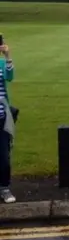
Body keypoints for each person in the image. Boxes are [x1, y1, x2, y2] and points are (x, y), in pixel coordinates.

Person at [0, 42, 15, 203]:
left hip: (2, 117)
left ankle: (4, 188)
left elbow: (9, 77)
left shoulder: (2, 63)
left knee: (3, 156)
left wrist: (7, 56)